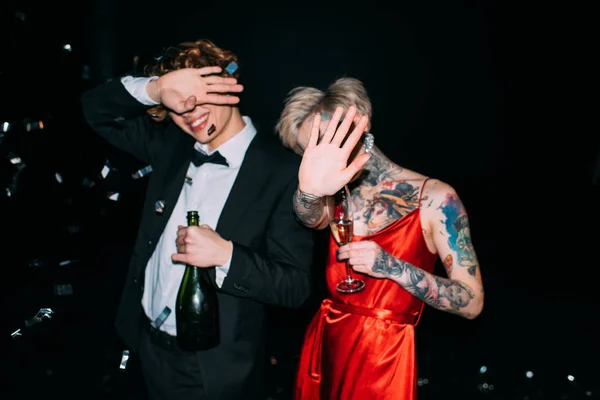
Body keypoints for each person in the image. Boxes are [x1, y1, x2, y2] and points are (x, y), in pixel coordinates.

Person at [81, 39, 314, 400]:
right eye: (179, 101)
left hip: (213, 370)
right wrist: (157, 89)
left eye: (200, 93)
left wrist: (227, 256)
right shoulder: (170, 147)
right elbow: (94, 109)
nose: (189, 110)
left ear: (227, 87)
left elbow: (295, 287)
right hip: (148, 346)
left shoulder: (283, 173)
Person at [275, 77, 485, 399]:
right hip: (328, 343)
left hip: (386, 357)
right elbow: (307, 216)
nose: (320, 158)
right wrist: (308, 189)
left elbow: (471, 302)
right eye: (309, 153)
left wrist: (391, 266)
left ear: (361, 124)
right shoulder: (330, 198)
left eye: (326, 141)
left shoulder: (436, 198)